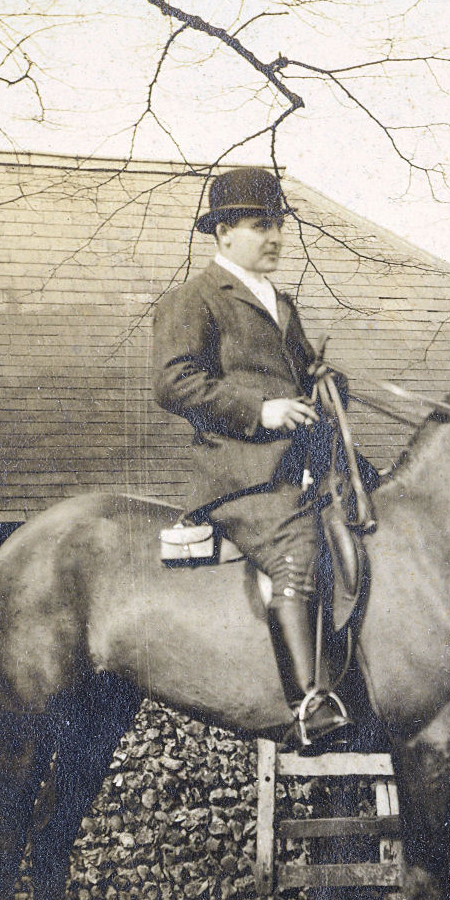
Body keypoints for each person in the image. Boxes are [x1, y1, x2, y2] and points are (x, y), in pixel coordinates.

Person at [151, 166, 350, 751]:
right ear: (224, 234)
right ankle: (309, 701)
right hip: (240, 479)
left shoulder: (281, 303)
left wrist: (322, 381)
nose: (276, 239)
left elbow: (300, 374)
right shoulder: (194, 299)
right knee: (297, 553)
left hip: (300, 470)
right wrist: (262, 410)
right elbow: (173, 383)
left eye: (279, 226)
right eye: (262, 226)